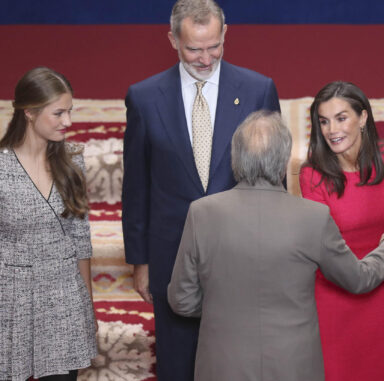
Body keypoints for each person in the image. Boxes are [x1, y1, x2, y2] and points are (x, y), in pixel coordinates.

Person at [167, 110, 384, 381]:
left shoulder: (201, 213)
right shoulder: (313, 216)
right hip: (294, 366)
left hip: (222, 365)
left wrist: (224, 309)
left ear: (236, 158)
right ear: (283, 162)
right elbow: (358, 279)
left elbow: (182, 300)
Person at [121, 0, 281, 378]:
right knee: (178, 361)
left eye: (214, 46)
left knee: (240, 364)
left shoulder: (258, 90)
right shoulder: (144, 98)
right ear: (173, 40)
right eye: (194, 48)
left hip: (243, 251)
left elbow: (274, 179)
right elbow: (137, 185)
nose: (206, 58)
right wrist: (140, 261)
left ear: (225, 34)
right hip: (171, 254)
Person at [0, 67, 97, 380]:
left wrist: (85, 308)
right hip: (4, 303)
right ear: (30, 113)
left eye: (70, 112)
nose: (68, 122)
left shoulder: (73, 162)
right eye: (59, 113)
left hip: (62, 299)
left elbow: (80, 239)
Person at [299, 81, 384, 381]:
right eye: (324, 121)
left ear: (363, 117)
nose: (331, 130)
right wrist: (382, 254)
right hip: (336, 294)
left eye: (341, 118)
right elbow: (326, 249)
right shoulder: (312, 175)